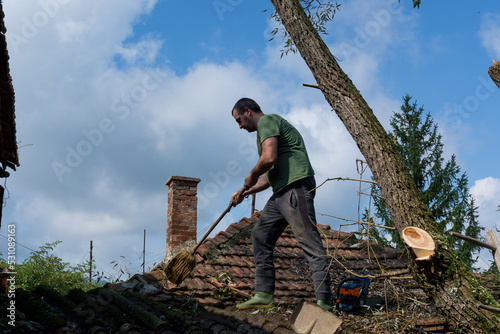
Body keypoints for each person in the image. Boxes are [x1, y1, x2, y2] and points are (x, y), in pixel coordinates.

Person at [230, 97, 333, 311]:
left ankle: (324, 301)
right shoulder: (264, 133)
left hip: (295, 188)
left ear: (248, 111)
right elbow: (269, 177)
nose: (239, 126)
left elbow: (268, 159)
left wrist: (251, 173)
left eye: (239, 120)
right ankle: (264, 294)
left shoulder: (268, 121)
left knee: (309, 240)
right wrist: (244, 191)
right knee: (260, 235)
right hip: (280, 192)